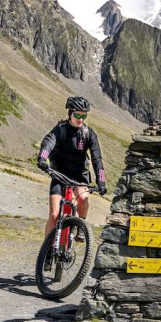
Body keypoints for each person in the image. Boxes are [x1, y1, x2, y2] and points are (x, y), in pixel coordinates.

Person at [37, 96, 107, 237]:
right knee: (54, 214)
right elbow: (48, 143)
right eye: (77, 115)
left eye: (83, 115)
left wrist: (101, 181)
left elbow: (97, 158)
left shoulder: (89, 134)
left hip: (79, 175)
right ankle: (47, 251)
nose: (80, 118)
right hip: (59, 174)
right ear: (70, 113)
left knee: (83, 199)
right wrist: (42, 158)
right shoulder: (60, 129)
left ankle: (81, 224)